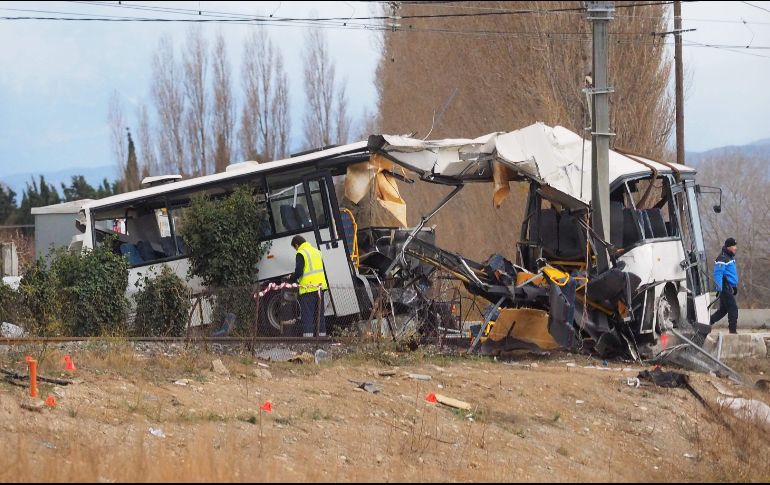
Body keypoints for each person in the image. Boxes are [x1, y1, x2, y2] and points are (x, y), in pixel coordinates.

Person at [287, 235, 329, 337]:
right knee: (319, 314)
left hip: (308, 288)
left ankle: (308, 338)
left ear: (297, 245)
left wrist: (291, 278)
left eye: (295, 247)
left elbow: (299, 272)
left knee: (308, 315)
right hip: (320, 288)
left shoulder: (301, 253)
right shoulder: (317, 252)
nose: (295, 249)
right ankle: (322, 337)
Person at [710, 237, 739, 334]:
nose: (735, 248)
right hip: (724, 287)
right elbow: (718, 274)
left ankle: (708, 322)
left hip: (728, 287)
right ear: (728, 247)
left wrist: (734, 286)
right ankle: (733, 331)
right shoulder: (722, 258)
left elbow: (731, 274)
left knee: (723, 310)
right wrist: (719, 288)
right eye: (734, 246)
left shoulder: (730, 257)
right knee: (733, 308)